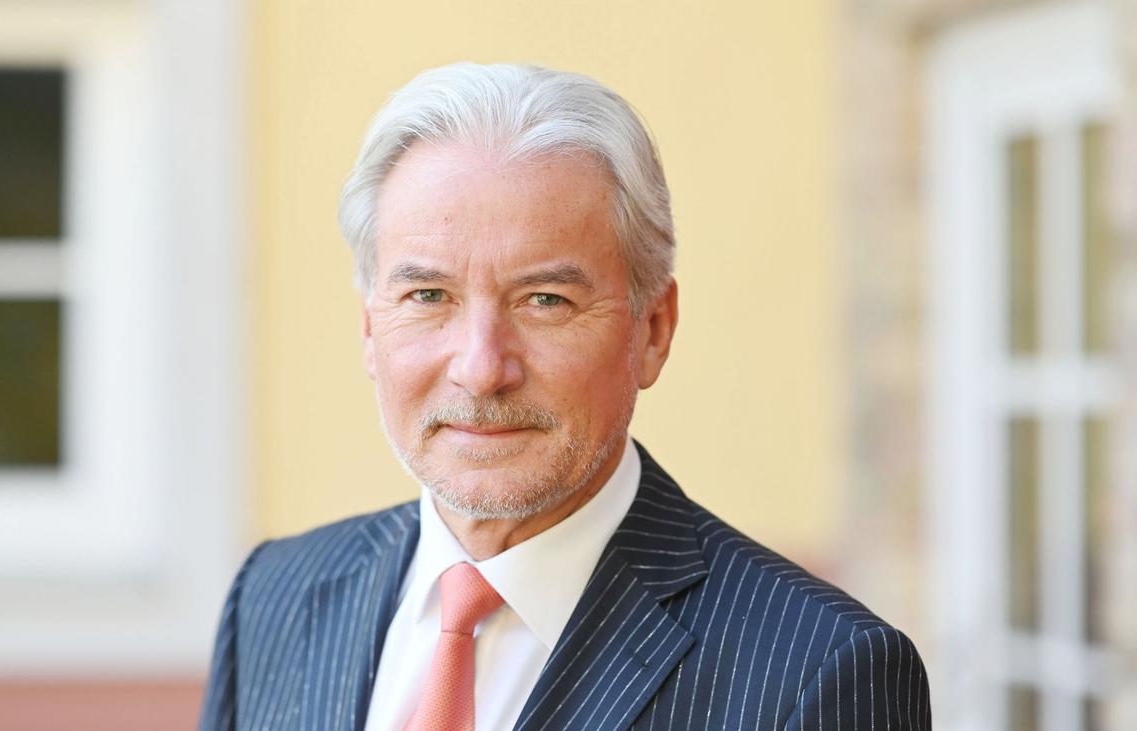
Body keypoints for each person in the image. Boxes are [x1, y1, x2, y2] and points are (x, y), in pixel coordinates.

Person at [199, 62, 930, 731]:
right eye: (428, 295)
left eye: (545, 300)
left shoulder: (818, 672)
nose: (481, 369)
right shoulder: (273, 597)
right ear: (369, 328)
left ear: (653, 329)